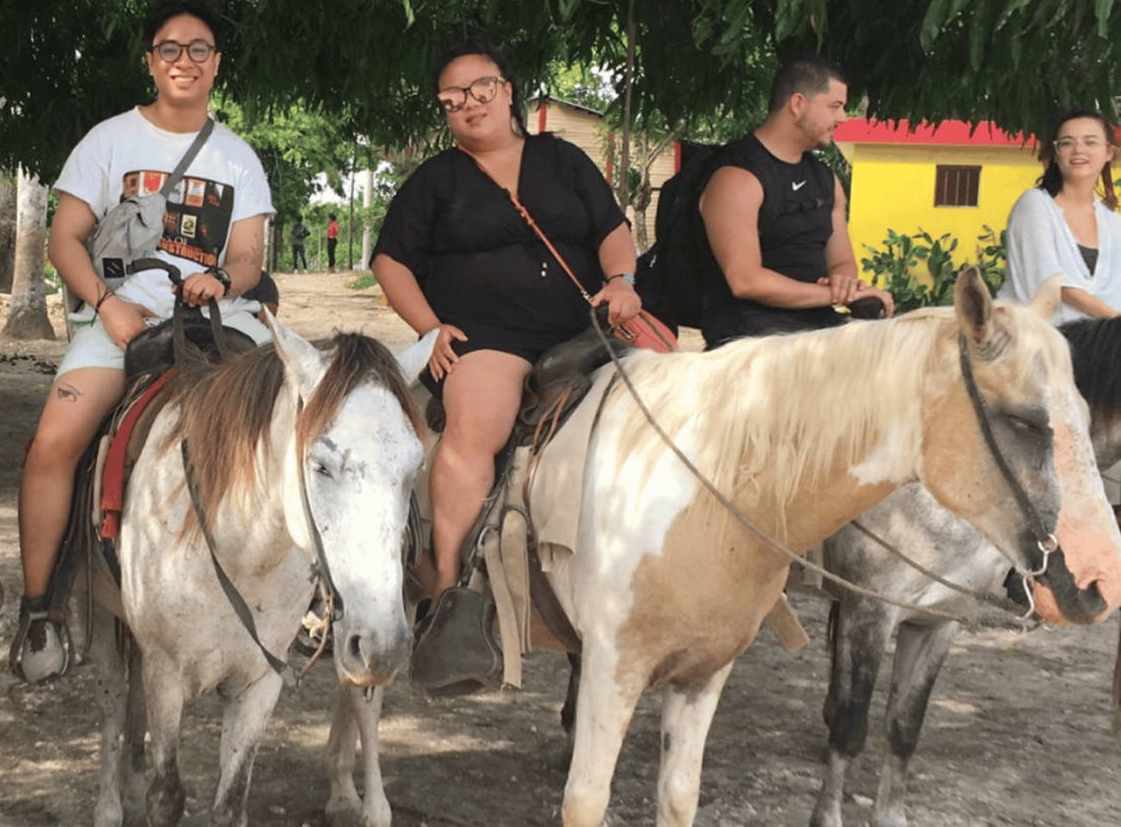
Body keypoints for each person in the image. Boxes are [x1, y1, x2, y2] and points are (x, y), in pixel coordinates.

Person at [12, 0, 274, 685]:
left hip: (219, 320)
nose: (184, 60)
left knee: (293, 422)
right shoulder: (107, 141)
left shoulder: (239, 157)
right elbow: (64, 242)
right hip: (121, 319)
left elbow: (250, 257)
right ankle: (40, 607)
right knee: (53, 442)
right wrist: (108, 305)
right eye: (169, 48)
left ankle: (304, 592)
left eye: (198, 48)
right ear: (150, 62)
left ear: (216, 63)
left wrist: (222, 277)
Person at [372, 35, 641, 686]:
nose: (469, 103)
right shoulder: (436, 180)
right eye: (452, 98)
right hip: (491, 337)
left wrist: (622, 279)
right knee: (474, 427)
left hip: (585, 328)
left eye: (481, 88)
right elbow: (389, 262)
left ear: (508, 90)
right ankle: (450, 599)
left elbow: (612, 230)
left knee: (671, 402)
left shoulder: (564, 159)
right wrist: (430, 327)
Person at [697, 56, 892, 348]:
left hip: (818, 330)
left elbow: (841, 263)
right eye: (835, 106)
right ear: (798, 103)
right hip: (748, 341)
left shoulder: (827, 180)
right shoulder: (737, 177)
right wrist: (835, 294)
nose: (843, 118)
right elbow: (745, 281)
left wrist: (845, 285)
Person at [1000, 108, 1121, 322]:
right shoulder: (1035, 204)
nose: (1078, 150)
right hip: (1037, 333)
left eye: (1090, 142)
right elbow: (1050, 284)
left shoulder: (1113, 223)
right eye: (1067, 143)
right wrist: (1115, 321)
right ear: (1056, 154)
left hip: (1102, 336)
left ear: (1109, 152)